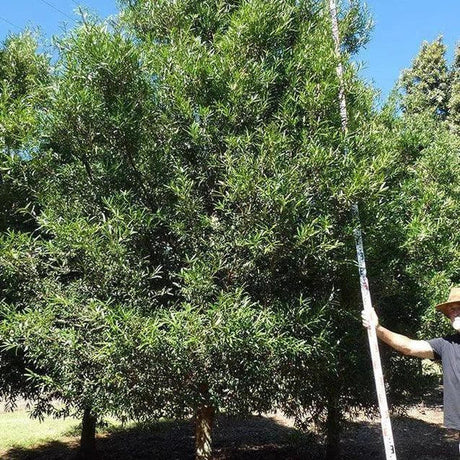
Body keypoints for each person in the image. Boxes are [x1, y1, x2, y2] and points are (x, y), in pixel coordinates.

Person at [362, 287, 460, 451]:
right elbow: (408, 346)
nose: (454, 313)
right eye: (451, 310)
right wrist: (377, 328)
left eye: (458, 308)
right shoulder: (446, 345)